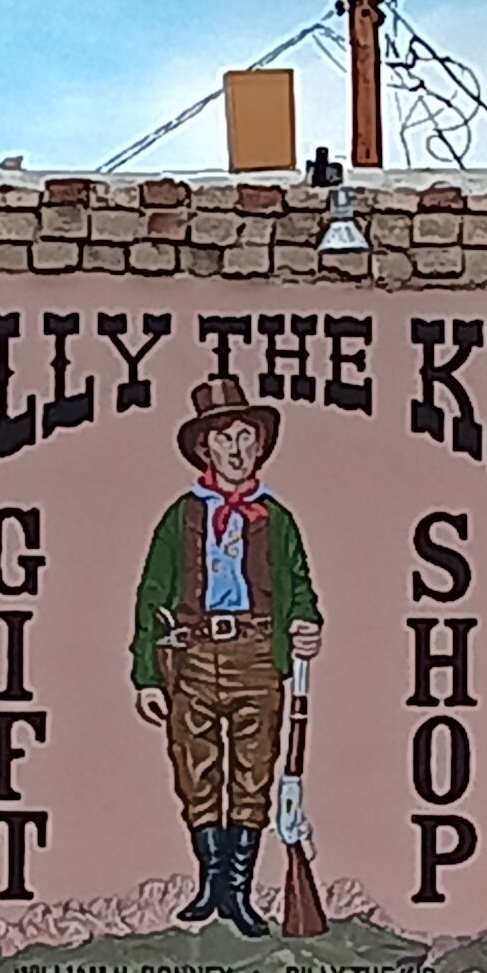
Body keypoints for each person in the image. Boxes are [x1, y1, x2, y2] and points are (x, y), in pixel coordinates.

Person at [129, 374, 323, 934]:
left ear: (259, 444)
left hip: (257, 653)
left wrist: (305, 623)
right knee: (196, 771)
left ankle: (238, 892)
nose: (237, 448)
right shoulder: (180, 518)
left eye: (245, 436)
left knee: (253, 770)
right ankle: (210, 883)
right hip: (191, 656)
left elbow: (299, 583)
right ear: (204, 448)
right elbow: (151, 593)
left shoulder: (277, 519)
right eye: (224, 438)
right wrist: (147, 673)